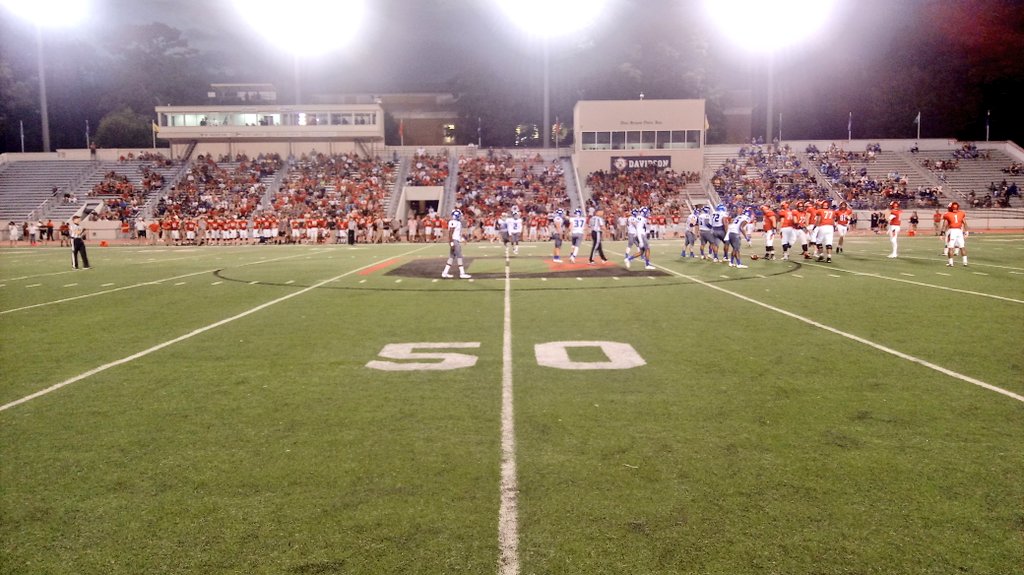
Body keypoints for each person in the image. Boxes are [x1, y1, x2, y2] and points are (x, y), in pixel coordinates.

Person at [441, 209, 471, 279]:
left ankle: (445, 272)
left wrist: (462, 239)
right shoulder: (453, 222)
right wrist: (451, 243)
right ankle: (462, 273)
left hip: (455, 240)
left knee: (451, 257)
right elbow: (451, 233)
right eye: (459, 215)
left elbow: (457, 234)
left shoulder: (457, 222)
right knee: (459, 256)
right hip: (454, 241)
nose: (460, 216)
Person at [941, 201, 968, 266]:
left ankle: (951, 263)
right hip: (959, 231)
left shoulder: (947, 214)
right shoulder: (962, 213)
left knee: (950, 247)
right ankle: (965, 262)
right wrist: (966, 232)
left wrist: (942, 233)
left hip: (952, 231)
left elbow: (944, 225)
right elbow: (965, 223)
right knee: (962, 247)